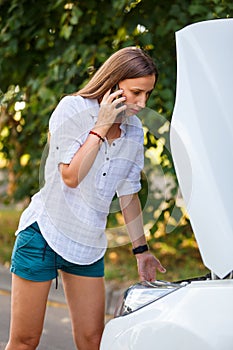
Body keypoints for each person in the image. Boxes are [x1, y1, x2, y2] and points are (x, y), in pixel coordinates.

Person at [5, 46, 166, 350]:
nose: (142, 103)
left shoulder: (134, 132)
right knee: (25, 341)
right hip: (42, 236)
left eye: (147, 94)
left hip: (88, 243)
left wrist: (141, 250)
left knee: (93, 342)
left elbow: (128, 193)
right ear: (114, 84)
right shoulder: (72, 110)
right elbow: (71, 176)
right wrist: (101, 126)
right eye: (135, 92)